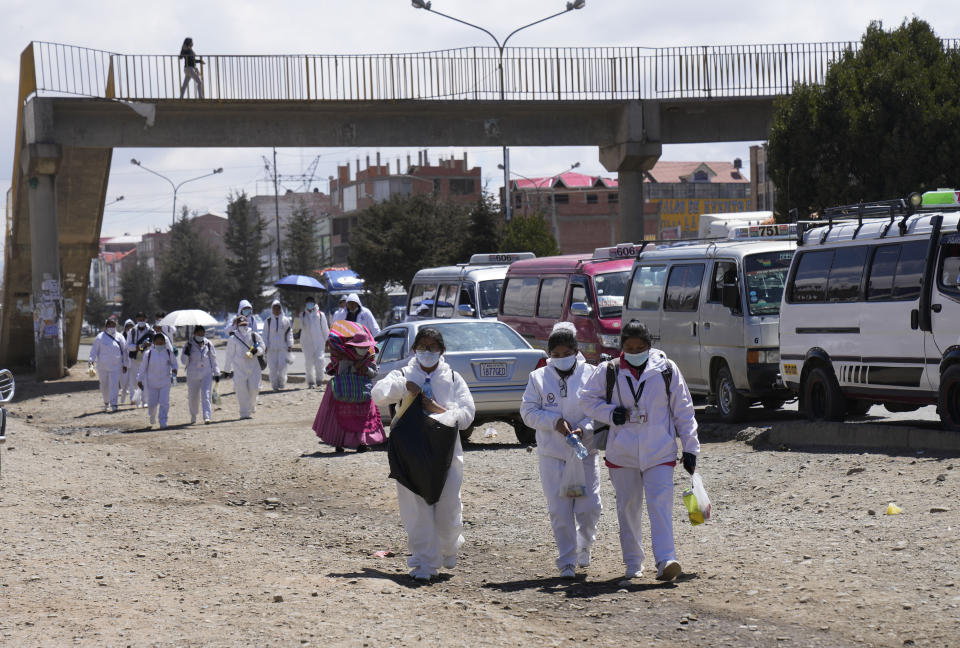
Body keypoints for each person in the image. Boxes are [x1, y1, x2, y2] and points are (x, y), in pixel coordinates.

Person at [579, 319, 700, 582]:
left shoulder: (666, 369)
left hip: (660, 451)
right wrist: (610, 414)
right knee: (628, 507)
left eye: (641, 346)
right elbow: (586, 399)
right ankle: (634, 562)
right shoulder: (608, 370)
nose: (635, 352)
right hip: (622, 454)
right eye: (630, 348)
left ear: (649, 345)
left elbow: (683, 410)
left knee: (660, 506)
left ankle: (666, 559)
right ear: (622, 347)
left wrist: (690, 446)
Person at [372, 327, 475, 581]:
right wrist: (401, 386)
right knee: (417, 509)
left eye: (432, 347)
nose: (426, 352)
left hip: (445, 452)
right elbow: (378, 395)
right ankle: (425, 564)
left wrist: (439, 410)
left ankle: (449, 546)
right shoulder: (405, 373)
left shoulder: (452, 378)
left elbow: (467, 414)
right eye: (422, 347)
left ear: (442, 351)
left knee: (448, 508)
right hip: (411, 452)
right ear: (413, 350)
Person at [520, 322, 602, 579]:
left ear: (576, 351)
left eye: (566, 354)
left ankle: (584, 544)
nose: (560, 359)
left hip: (584, 453)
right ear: (548, 355)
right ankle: (566, 560)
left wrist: (584, 429)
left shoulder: (591, 374)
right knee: (560, 509)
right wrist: (554, 422)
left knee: (589, 507)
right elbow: (528, 412)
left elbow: (599, 411)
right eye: (555, 355)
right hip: (553, 455)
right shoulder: (539, 377)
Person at [312, 320, 385, 453]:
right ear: (354, 346)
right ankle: (339, 442)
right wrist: (354, 367)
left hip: (362, 393)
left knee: (362, 418)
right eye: (360, 347)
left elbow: (374, 373)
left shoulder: (370, 357)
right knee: (341, 417)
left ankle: (361, 442)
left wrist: (366, 370)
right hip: (346, 393)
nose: (363, 350)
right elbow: (341, 373)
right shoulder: (344, 358)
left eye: (365, 347)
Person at [222, 315, 264, 419]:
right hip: (239, 369)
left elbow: (262, 346)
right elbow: (229, 355)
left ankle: (252, 404)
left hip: (254, 367)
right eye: (241, 325)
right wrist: (227, 370)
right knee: (241, 391)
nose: (243, 327)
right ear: (237, 325)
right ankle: (244, 413)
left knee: (254, 389)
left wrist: (257, 351)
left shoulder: (254, 335)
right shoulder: (233, 339)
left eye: (245, 324)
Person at [137, 332, 178, 428]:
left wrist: (175, 369)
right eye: (158, 342)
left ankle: (163, 421)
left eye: (162, 342)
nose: (160, 344)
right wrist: (139, 379)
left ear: (164, 342)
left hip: (165, 382)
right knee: (152, 404)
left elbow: (174, 364)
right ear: (154, 343)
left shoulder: (168, 352)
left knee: (164, 402)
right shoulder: (149, 354)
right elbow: (142, 368)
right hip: (152, 383)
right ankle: (152, 416)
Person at [181, 324, 220, 425]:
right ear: (194, 334)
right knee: (193, 397)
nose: (201, 335)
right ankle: (193, 415)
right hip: (192, 375)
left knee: (206, 395)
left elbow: (213, 359)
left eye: (203, 333)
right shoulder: (188, 344)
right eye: (199, 333)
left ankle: (207, 416)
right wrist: (187, 352)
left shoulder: (208, 344)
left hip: (206, 373)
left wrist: (216, 372)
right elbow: (183, 361)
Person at [88, 318, 129, 412]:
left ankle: (114, 404)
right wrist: (91, 361)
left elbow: (124, 351)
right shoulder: (100, 337)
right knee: (104, 385)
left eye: (113, 325)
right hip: (102, 366)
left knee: (114, 385)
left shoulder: (120, 337)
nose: (111, 327)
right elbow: (94, 351)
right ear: (106, 326)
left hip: (116, 366)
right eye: (109, 325)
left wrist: (125, 364)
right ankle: (106, 402)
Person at [299, 296, 329, 389]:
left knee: (320, 361)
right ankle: (310, 382)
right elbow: (298, 328)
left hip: (319, 342)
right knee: (309, 363)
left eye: (311, 302)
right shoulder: (302, 315)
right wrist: (298, 318)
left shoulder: (320, 315)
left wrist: (327, 340)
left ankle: (319, 380)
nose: (309, 304)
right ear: (305, 304)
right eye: (308, 302)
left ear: (314, 303)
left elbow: (325, 328)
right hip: (307, 343)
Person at [262, 299, 293, 391]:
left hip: (282, 347)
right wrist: (265, 346)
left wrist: (290, 344)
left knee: (283, 367)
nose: (276, 310)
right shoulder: (268, 321)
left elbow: (289, 333)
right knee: (273, 368)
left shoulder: (286, 320)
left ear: (280, 309)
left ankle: (282, 382)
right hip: (271, 349)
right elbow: (264, 335)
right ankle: (274, 385)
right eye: (274, 308)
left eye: (278, 308)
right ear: (272, 309)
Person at [126, 313, 153, 408]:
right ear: (136, 320)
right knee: (135, 381)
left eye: (143, 319)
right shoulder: (132, 331)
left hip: (146, 357)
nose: (141, 321)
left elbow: (155, 345)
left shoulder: (151, 331)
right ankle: (137, 399)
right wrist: (137, 347)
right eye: (139, 319)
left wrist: (150, 345)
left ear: (146, 319)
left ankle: (145, 400)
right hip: (135, 358)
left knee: (145, 379)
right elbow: (128, 346)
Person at [119, 319, 135, 404]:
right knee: (124, 383)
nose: (129, 328)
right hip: (124, 363)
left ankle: (132, 399)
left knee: (133, 382)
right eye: (128, 327)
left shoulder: (136, 335)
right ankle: (122, 399)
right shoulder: (120, 336)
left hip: (133, 361)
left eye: (131, 326)